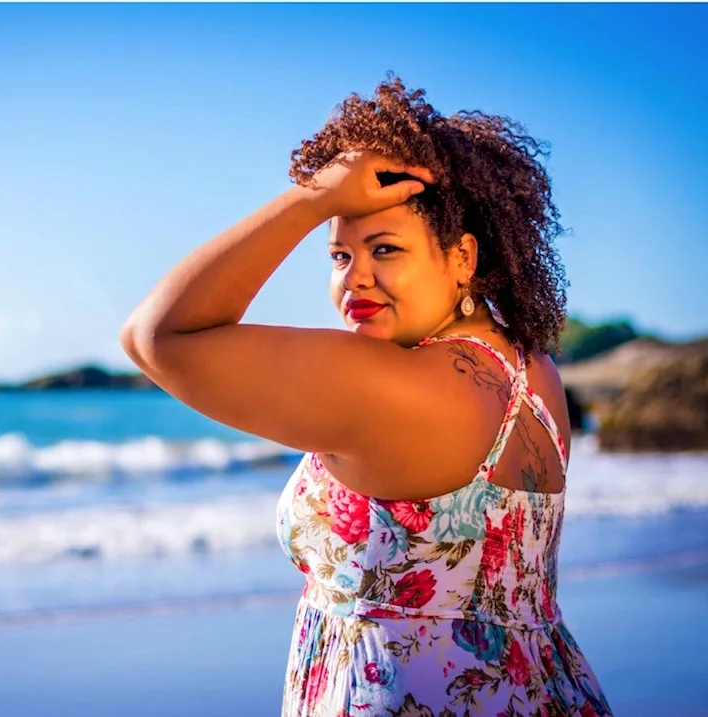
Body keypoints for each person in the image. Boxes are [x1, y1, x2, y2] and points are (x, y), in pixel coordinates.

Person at [120, 76, 611, 716]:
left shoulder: (393, 384)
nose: (356, 278)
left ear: (462, 256)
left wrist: (312, 198)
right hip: (543, 691)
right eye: (338, 253)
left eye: (385, 249)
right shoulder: (528, 367)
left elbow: (155, 336)